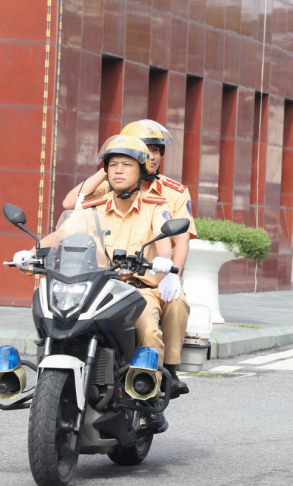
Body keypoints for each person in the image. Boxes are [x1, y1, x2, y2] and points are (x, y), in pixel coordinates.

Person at [13, 136, 186, 432]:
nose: (118, 170)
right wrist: (31, 252)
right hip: (96, 287)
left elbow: (165, 238)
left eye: (126, 165)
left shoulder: (156, 206)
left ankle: (149, 400)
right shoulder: (93, 207)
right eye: (112, 164)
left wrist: (164, 264)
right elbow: (64, 233)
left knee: (147, 327)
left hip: (137, 289)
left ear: (141, 170)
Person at [62, 120, 196, 398]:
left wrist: (173, 275)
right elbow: (71, 207)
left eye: (156, 150)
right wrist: (111, 166)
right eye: (145, 149)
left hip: (153, 274)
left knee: (174, 303)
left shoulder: (171, 193)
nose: (152, 156)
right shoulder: (110, 186)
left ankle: (167, 371)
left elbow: (179, 239)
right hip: (106, 279)